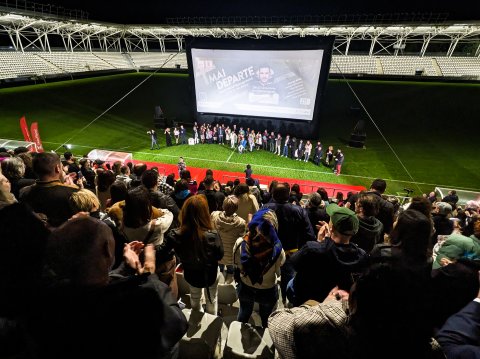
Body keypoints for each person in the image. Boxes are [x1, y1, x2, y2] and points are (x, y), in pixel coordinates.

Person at [31, 216, 187, 359]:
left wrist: (124, 268)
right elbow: (177, 323)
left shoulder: (46, 302)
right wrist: (148, 276)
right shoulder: (133, 303)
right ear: (107, 250)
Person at [287, 203, 367, 306]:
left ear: (332, 227)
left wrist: (319, 243)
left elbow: (294, 264)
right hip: (336, 303)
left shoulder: (312, 248)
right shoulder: (362, 255)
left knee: (291, 283)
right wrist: (324, 244)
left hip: (307, 300)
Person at [156, 195, 224, 315]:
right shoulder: (213, 235)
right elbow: (219, 256)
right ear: (204, 214)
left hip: (191, 274)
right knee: (212, 298)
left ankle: (197, 316)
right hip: (210, 275)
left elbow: (161, 252)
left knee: (195, 296)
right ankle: (211, 320)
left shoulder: (175, 235)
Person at [234, 209, 285, 327]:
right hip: (267, 290)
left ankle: (239, 334)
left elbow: (237, 265)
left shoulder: (240, 243)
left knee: (243, 313)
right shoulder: (278, 249)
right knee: (266, 318)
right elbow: (278, 272)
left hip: (246, 286)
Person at [211, 195, 247, 283]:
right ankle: (227, 282)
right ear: (236, 208)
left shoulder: (214, 215)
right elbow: (242, 237)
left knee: (220, 269)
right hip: (232, 255)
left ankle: (222, 281)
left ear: (223, 206)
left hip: (218, 253)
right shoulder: (241, 223)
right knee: (230, 271)